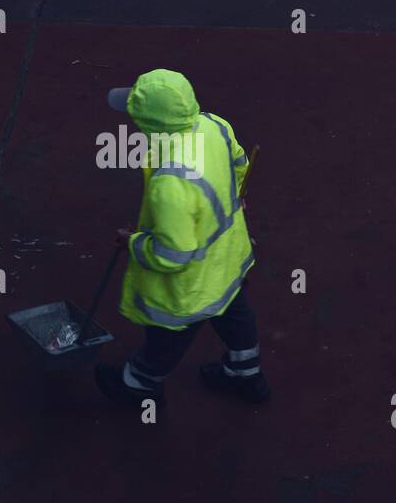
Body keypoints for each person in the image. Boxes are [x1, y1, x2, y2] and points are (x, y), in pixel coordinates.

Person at [94, 69, 269, 406]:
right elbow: (240, 162)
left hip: (190, 285)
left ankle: (138, 386)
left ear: (150, 126)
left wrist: (133, 242)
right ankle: (246, 376)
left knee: (167, 336)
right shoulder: (215, 125)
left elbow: (173, 255)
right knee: (234, 313)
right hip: (229, 256)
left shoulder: (170, 181)